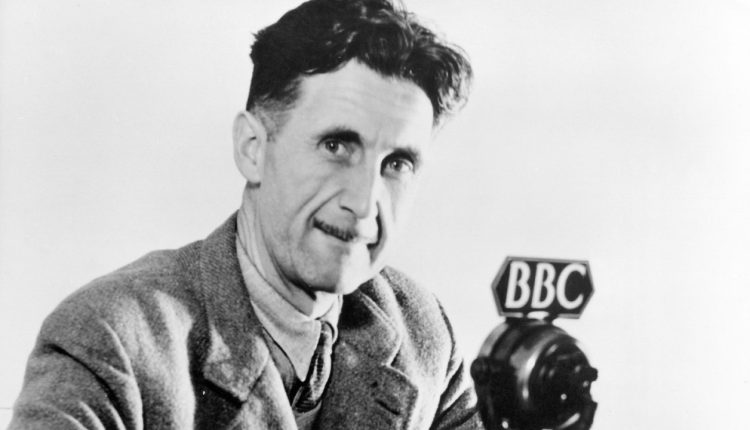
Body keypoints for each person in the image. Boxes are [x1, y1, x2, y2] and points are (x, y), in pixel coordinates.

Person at [10, 0, 480, 428]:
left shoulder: (424, 335)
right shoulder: (111, 339)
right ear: (252, 148)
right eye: (336, 146)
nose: (363, 202)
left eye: (397, 164)